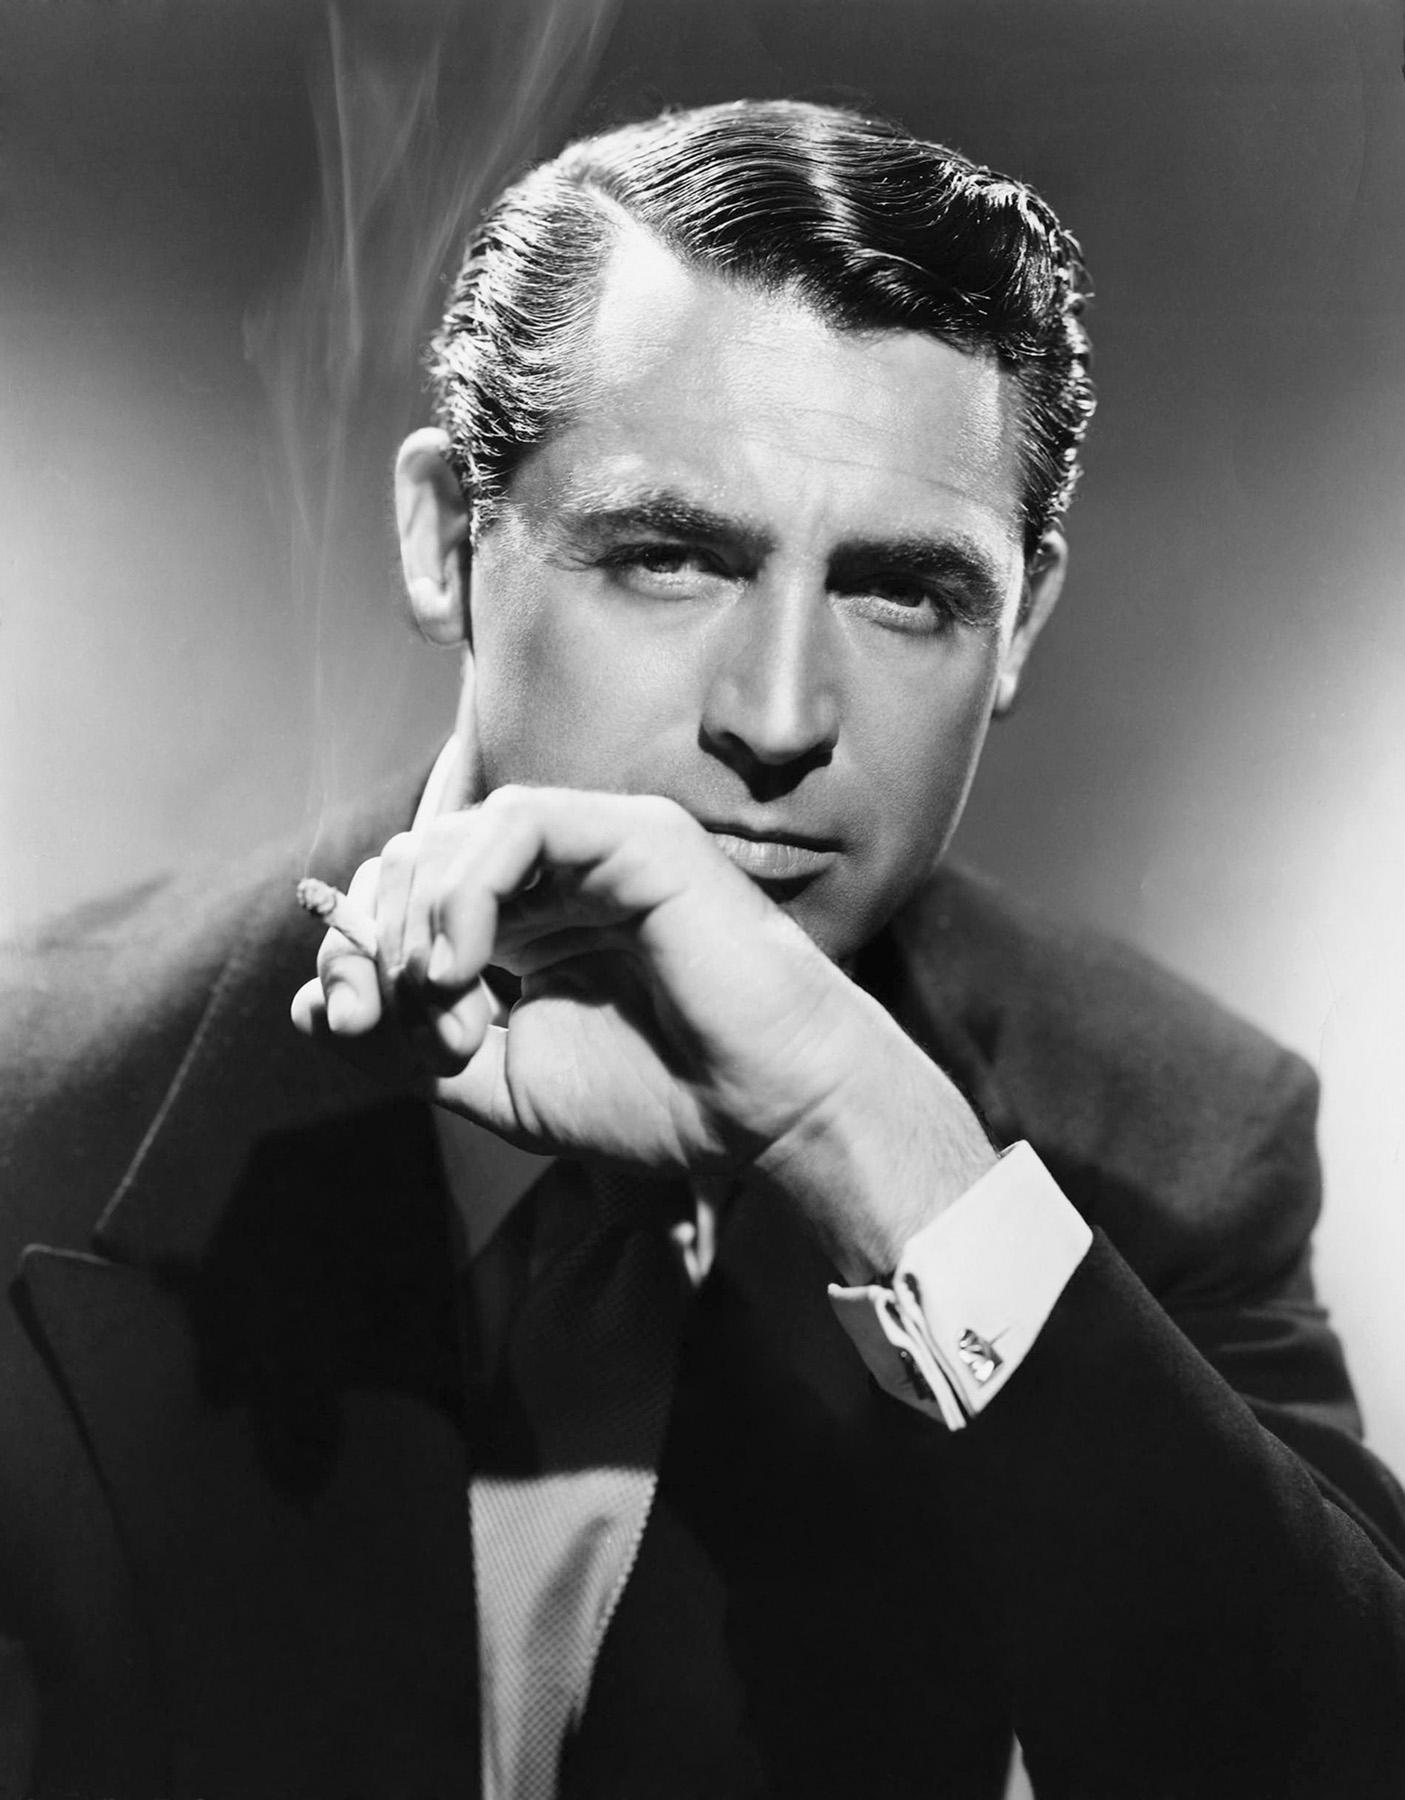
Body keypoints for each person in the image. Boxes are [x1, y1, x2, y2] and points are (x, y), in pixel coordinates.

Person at [3, 98, 1404, 1800]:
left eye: (903, 593)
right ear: (446, 538)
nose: (780, 715)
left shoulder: (1173, 1142)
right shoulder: (28, 1109)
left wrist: (868, 1139)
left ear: (1019, 622)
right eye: (669, 559)